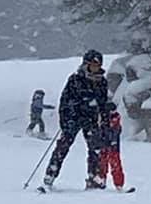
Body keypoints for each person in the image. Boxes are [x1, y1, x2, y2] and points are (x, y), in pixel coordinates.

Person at [42, 49, 117, 190]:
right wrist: (66, 121)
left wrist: (106, 114)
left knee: (96, 147)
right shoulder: (75, 80)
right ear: (86, 64)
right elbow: (65, 101)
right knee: (63, 146)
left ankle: (94, 178)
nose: (96, 68)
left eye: (98, 65)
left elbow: (102, 103)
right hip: (74, 118)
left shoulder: (102, 82)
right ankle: (50, 175)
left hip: (91, 120)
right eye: (93, 65)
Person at [98, 107, 129, 191]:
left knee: (115, 163)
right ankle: (101, 180)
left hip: (112, 145)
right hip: (103, 143)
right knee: (102, 161)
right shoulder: (101, 117)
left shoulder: (115, 118)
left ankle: (118, 184)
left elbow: (116, 130)